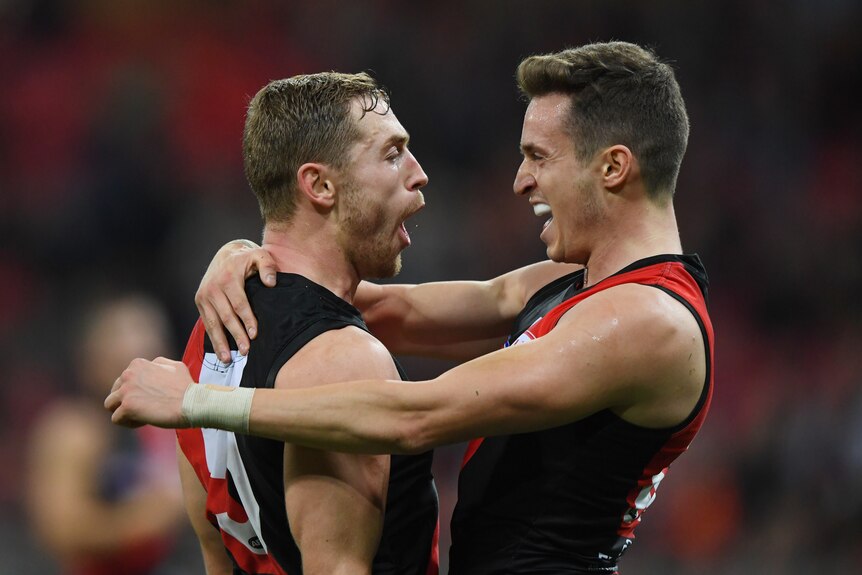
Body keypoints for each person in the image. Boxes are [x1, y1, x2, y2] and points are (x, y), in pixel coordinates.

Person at [107, 41, 714, 574]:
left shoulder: (649, 323)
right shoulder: (573, 283)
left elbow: (415, 417)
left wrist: (195, 403)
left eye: (539, 157)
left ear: (613, 168)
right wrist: (250, 257)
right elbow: (359, 302)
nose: (521, 181)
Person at [165, 73, 438, 574]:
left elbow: (217, 555)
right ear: (320, 185)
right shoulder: (343, 359)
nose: (418, 174)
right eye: (392, 154)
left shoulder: (211, 333)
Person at [28, 294, 187, 575]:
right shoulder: (75, 428)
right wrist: (147, 519)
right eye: (126, 361)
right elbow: (61, 530)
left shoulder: (179, 423)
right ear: (91, 360)